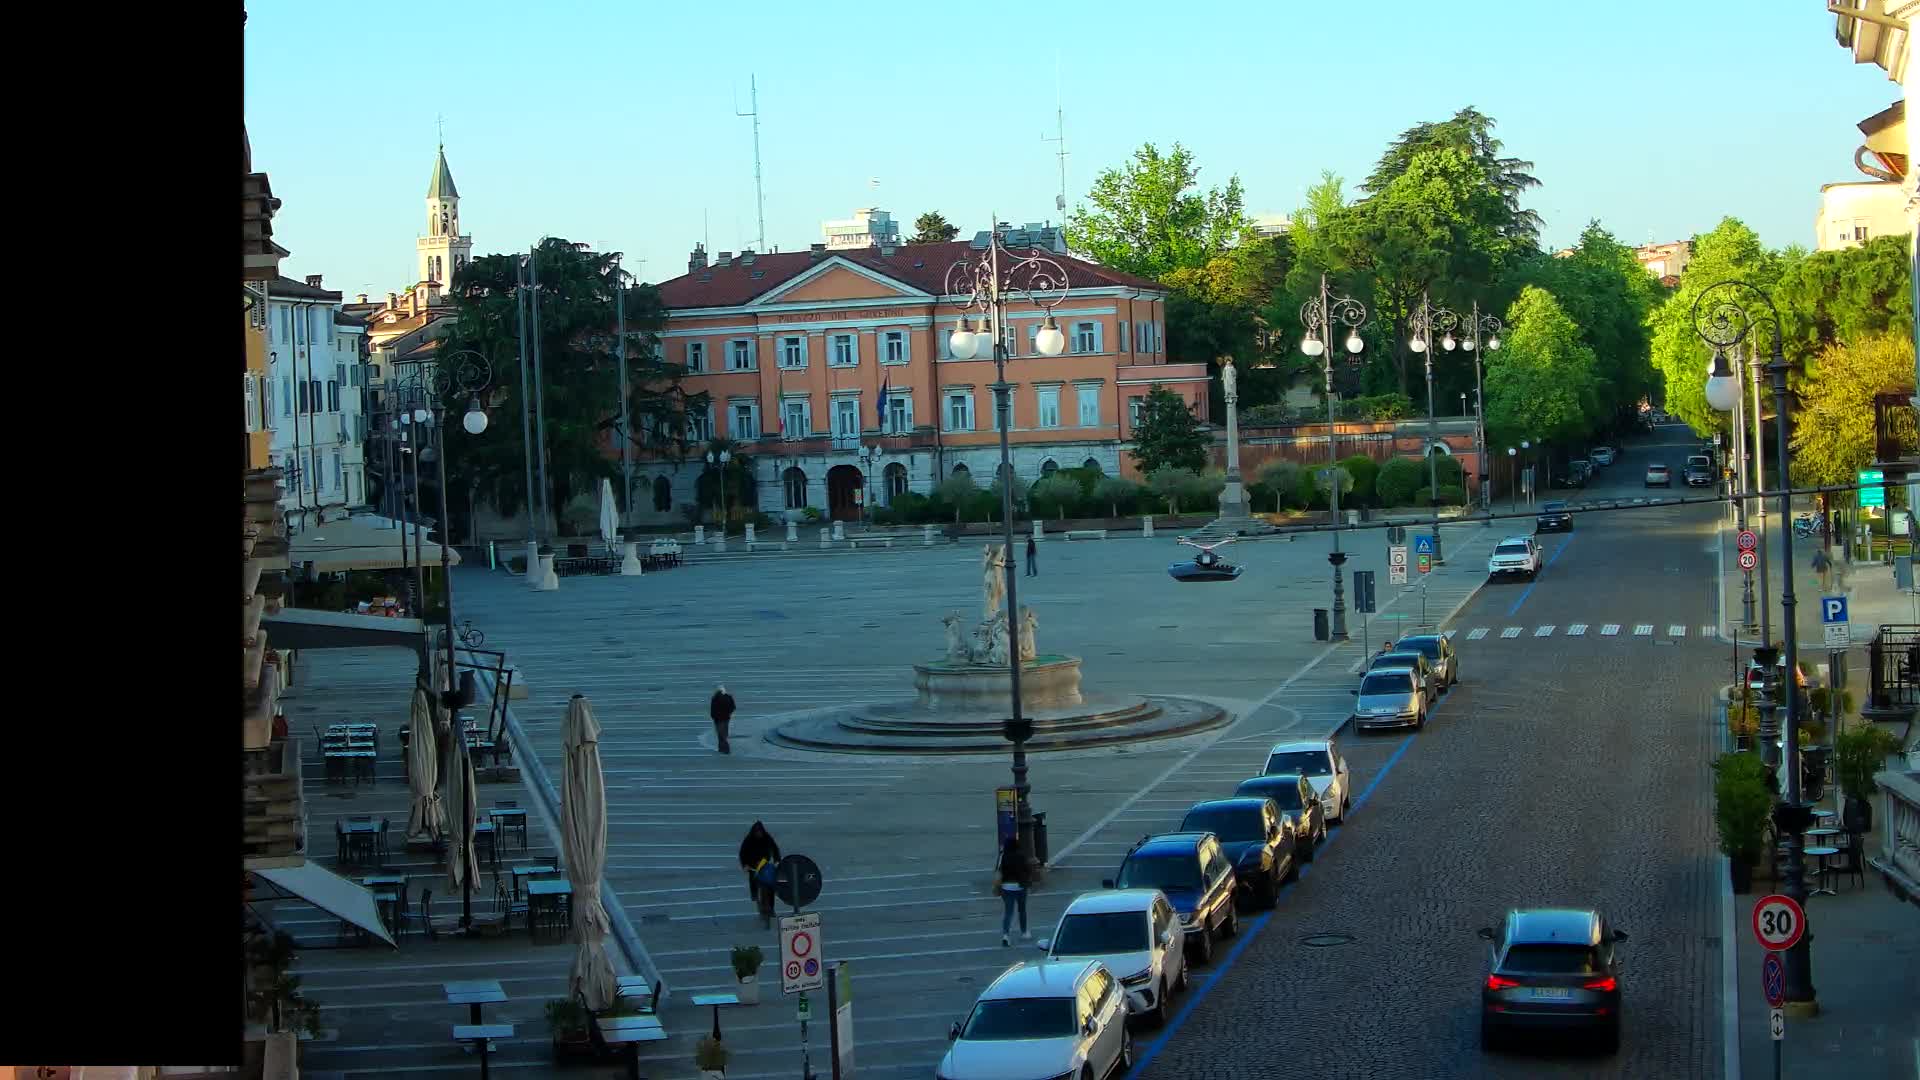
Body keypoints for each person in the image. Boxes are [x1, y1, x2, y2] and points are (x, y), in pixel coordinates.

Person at [739, 821, 781, 927]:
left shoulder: (767, 838)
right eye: (757, 832)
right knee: (753, 883)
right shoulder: (748, 840)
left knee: (770, 887)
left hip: (765, 866)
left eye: (760, 832)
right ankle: (755, 896)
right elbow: (742, 853)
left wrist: (777, 860)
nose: (759, 834)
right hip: (753, 866)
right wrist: (745, 865)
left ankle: (771, 908)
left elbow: (775, 848)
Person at [996, 835, 1031, 946]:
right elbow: (1027, 869)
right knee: (1022, 910)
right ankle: (1024, 932)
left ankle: (1006, 935)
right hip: (1020, 886)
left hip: (1006, 886)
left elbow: (998, 870)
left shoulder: (1003, 856)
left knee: (1008, 912)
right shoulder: (1021, 856)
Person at [710, 684, 737, 755]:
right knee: (724, 732)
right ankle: (725, 749)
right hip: (726, 718)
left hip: (718, 719)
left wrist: (713, 716)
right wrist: (729, 713)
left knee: (720, 734)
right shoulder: (728, 697)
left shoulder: (714, 698)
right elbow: (733, 707)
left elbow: (712, 709)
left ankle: (722, 748)